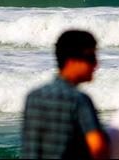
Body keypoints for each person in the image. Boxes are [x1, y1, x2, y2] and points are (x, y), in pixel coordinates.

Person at [21, 30, 109, 159]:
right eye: (90, 57)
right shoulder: (78, 100)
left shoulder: (33, 97)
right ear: (71, 61)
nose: (96, 64)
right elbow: (97, 146)